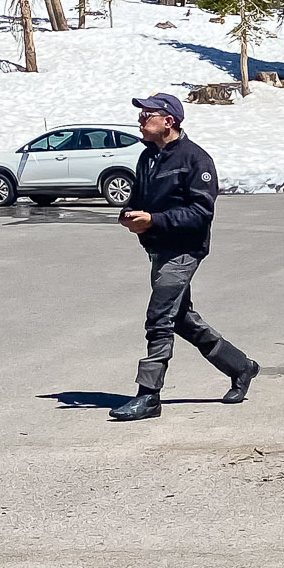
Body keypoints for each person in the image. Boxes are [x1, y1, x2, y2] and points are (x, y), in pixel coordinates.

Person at [110, 93, 259, 422]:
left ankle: (149, 396)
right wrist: (130, 216)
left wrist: (155, 220)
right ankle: (241, 367)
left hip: (184, 250)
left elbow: (201, 213)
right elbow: (138, 199)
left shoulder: (195, 159)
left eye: (147, 114)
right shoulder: (148, 158)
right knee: (181, 319)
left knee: (159, 317)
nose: (140, 119)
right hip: (158, 249)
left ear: (169, 121)